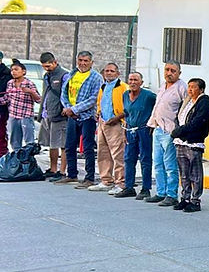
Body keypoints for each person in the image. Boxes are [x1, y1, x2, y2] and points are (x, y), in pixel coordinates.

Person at [56, 51, 103, 188]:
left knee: (87, 148)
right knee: (69, 146)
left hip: (87, 117)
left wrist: (75, 109)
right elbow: (64, 93)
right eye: (80, 60)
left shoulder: (96, 77)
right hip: (72, 116)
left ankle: (89, 178)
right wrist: (68, 108)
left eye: (86, 61)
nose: (82, 63)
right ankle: (72, 174)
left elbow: (94, 99)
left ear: (91, 63)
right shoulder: (72, 74)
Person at [145, 61, 188, 206]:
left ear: (179, 73)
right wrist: (152, 123)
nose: (169, 73)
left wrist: (179, 130)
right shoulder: (162, 86)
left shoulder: (182, 88)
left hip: (170, 131)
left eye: (173, 70)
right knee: (158, 163)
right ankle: (160, 192)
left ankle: (171, 194)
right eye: (167, 70)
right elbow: (157, 107)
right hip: (158, 129)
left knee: (170, 164)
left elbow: (186, 109)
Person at [170, 78, 209, 213]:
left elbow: (198, 122)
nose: (190, 89)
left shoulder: (204, 102)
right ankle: (185, 198)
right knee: (184, 173)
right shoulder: (187, 101)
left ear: (201, 89)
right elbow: (179, 117)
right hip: (181, 141)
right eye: (189, 87)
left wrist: (181, 131)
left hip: (193, 141)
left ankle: (195, 200)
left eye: (193, 87)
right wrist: (178, 131)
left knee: (195, 173)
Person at [115, 72, 156, 199]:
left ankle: (145, 188)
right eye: (131, 80)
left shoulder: (149, 96)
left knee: (145, 159)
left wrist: (153, 124)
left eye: (136, 80)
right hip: (130, 129)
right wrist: (124, 131)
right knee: (128, 158)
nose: (133, 82)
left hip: (144, 130)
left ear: (141, 83)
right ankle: (129, 187)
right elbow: (126, 113)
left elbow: (159, 107)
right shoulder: (125, 95)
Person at [90, 63, 128, 194]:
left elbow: (127, 108)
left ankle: (120, 182)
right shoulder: (104, 86)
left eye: (112, 71)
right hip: (103, 122)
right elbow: (101, 102)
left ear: (118, 73)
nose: (109, 73)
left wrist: (117, 118)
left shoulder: (123, 87)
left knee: (118, 154)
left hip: (116, 123)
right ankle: (106, 180)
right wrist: (99, 113)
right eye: (107, 71)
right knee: (103, 152)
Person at [39, 52, 69, 181]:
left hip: (60, 114)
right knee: (52, 144)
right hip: (48, 113)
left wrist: (64, 108)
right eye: (44, 66)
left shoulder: (64, 75)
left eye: (48, 66)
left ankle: (62, 171)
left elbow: (66, 94)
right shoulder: (47, 76)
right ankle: (53, 169)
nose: (47, 68)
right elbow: (45, 94)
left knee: (62, 143)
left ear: (55, 62)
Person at [0, 61, 41, 150]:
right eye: (12, 70)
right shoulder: (10, 83)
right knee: (15, 141)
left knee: (29, 141)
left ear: (23, 71)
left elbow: (38, 99)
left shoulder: (29, 84)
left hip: (26, 116)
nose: (13, 72)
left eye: (16, 69)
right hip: (13, 116)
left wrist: (30, 92)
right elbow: (7, 98)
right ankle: (16, 161)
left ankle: (28, 161)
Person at [0, 52, 10, 157]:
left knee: (1, 133)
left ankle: (2, 156)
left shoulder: (7, 74)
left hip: (2, 109)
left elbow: (9, 94)